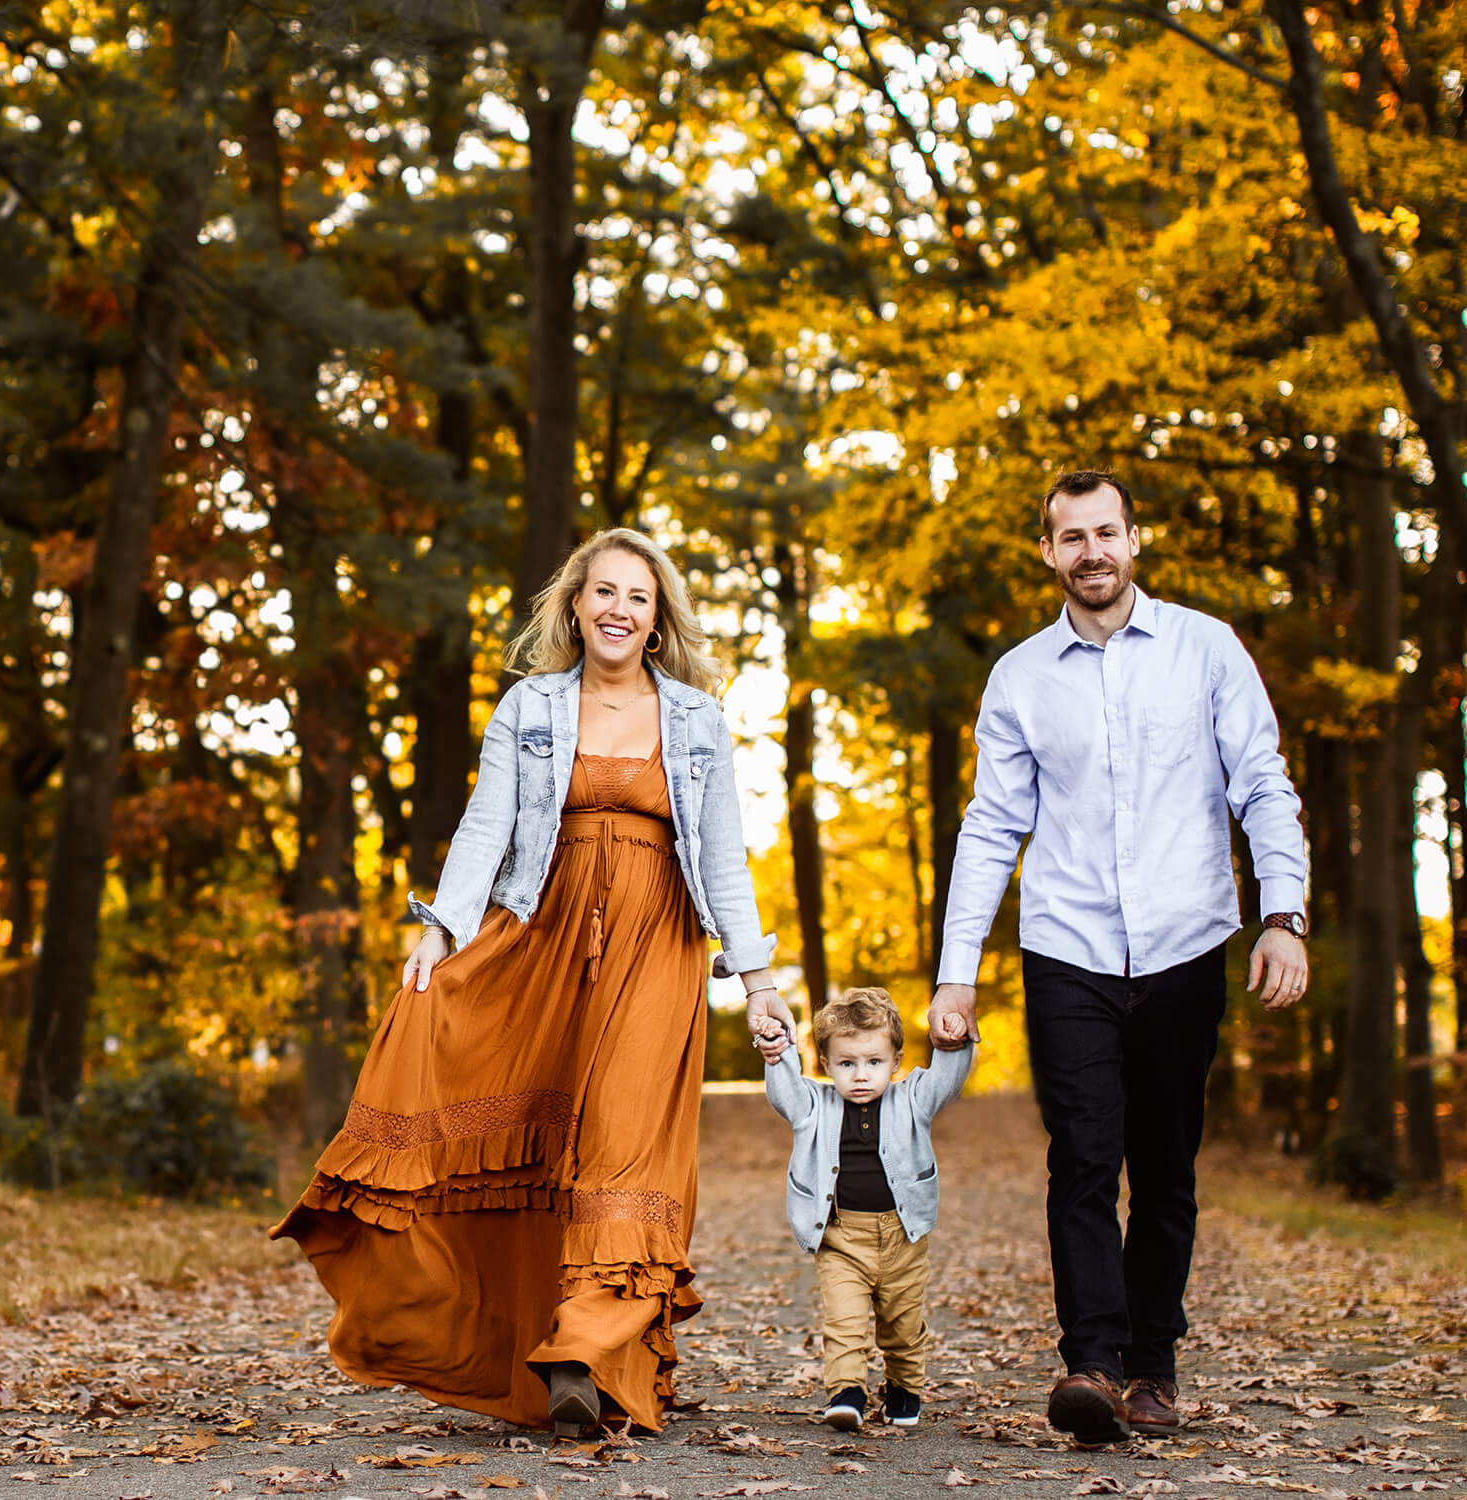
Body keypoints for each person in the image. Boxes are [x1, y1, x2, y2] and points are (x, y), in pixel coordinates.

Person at [271, 528, 790, 1439]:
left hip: (656, 948)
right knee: (535, 1137)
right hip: (545, 937)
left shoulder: (699, 721)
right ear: (576, 607)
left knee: (627, 1149)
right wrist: (441, 932)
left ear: (658, 616)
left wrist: (759, 982)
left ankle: (586, 1352)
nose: (619, 609)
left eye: (637, 595)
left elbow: (722, 859)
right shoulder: (531, 708)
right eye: (603, 593)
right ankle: (524, 1341)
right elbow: (486, 825)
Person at [928, 470, 1311, 1443]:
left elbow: (1262, 785)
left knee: (1167, 1168)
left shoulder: (1206, 650)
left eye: (1107, 532)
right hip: (1070, 949)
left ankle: (1153, 1369)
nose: (1091, 551)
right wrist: (956, 971)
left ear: (1135, 540)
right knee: (1085, 1159)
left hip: (1187, 945)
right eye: (1071, 537)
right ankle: (1091, 1364)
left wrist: (1284, 913)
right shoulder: (1020, 676)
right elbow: (990, 828)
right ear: (1047, 554)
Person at [754, 988, 975, 1432]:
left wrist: (952, 1041)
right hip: (841, 1239)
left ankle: (904, 1387)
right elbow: (785, 1093)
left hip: (903, 1238)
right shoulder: (815, 1106)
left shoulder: (911, 1099)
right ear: (826, 1065)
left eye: (874, 1062)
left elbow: (945, 1080)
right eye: (846, 1063)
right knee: (844, 1320)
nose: (860, 1075)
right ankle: (847, 1392)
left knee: (902, 1326)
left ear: (895, 1062)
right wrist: (777, 1052)